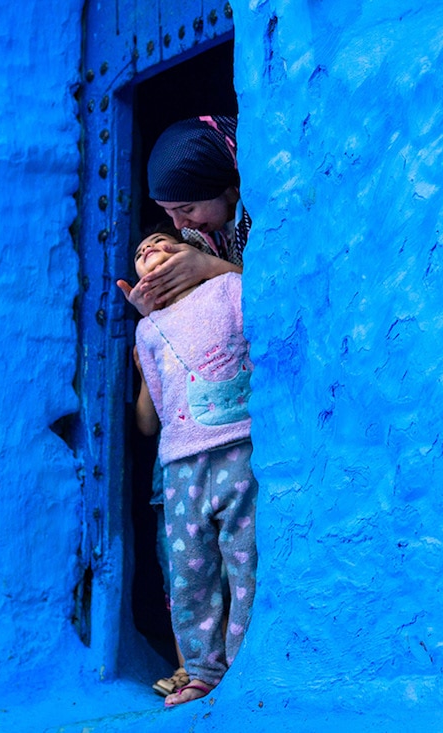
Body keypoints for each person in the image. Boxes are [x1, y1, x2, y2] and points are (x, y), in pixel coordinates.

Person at [130, 226, 258, 707]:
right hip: (181, 465)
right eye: (141, 254)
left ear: (195, 253)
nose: (149, 249)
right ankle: (201, 670)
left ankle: (245, 664)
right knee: (190, 573)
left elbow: (260, 316)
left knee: (245, 561)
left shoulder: (226, 287)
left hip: (237, 447)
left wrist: (218, 269)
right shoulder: (148, 328)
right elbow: (157, 411)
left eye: (163, 243)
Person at [118, 115, 251, 317]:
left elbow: (279, 295)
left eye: (187, 209)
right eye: (167, 211)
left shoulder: (267, 222)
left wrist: (209, 266)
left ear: (228, 190)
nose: (179, 225)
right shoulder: (192, 239)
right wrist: (155, 311)